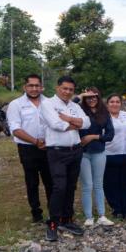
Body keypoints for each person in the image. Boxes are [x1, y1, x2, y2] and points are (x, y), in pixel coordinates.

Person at [40, 75, 91, 242]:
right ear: (57, 88)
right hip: (57, 152)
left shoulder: (74, 105)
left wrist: (68, 119)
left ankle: (66, 220)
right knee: (59, 187)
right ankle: (53, 223)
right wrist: (76, 124)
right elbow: (56, 125)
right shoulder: (48, 104)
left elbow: (87, 123)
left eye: (70, 89)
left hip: (75, 150)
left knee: (70, 187)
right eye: (64, 88)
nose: (67, 92)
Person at [7, 74, 51, 224]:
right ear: (25, 87)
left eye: (37, 85)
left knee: (50, 181)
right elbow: (15, 129)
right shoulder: (16, 104)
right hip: (27, 148)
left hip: (48, 147)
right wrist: (35, 141)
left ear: (41, 87)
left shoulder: (49, 103)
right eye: (30, 86)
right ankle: (36, 213)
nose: (34, 89)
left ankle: (53, 212)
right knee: (32, 182)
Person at [78, 88, 115, 227]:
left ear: (98, 98)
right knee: (87, 185)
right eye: (88, 97)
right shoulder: (78, 110)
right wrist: (81, 95)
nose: (91, 99)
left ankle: (102, 215)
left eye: (94, 97)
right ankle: (88, 217)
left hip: (99, 152)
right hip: (83, 153)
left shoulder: (104, 113)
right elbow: (71, 102)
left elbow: (110, 135)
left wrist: (93, 136)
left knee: (98, 184)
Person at [103, 94, 126, 220]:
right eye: (112, 101)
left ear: (121, 103)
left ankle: (125, 209)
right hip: (109, 154)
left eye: (117, 101)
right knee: (111, 184)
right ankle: (116, 209)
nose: (115, 104)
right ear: (107, 104)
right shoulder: (103, 117)